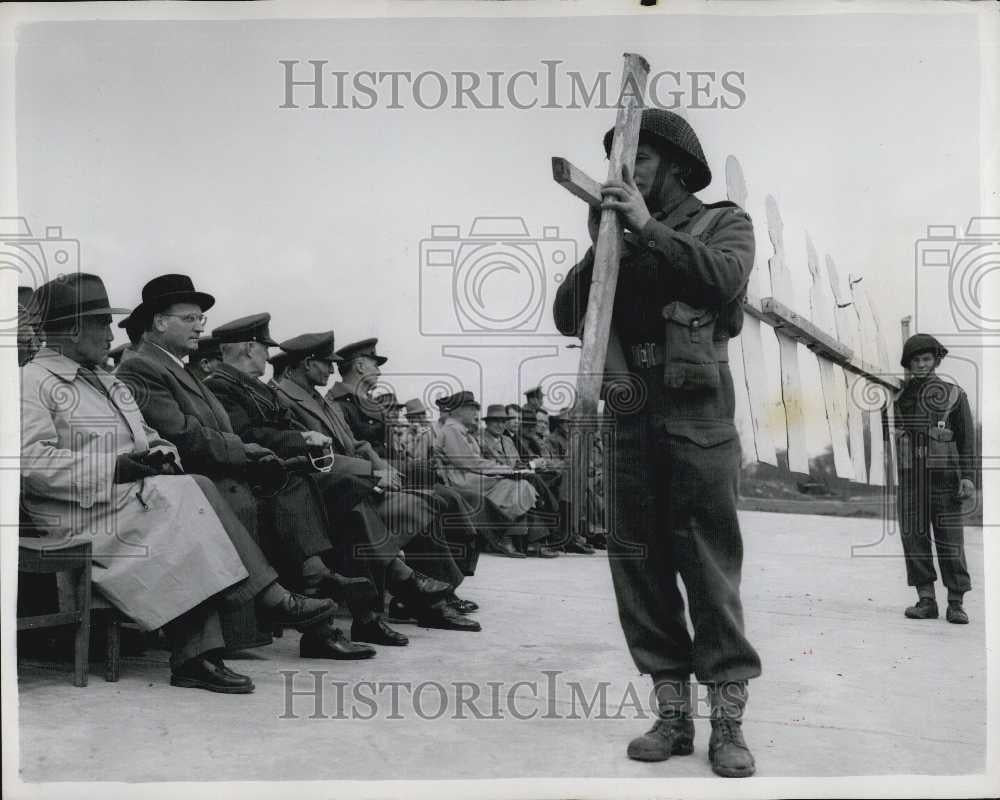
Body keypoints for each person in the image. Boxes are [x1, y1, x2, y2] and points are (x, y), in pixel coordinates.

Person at [553, 108, 761, 777]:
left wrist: (644, 227)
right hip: (631, 413)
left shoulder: (723, 222)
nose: (625, 175)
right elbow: (566, 315)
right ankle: (672, 716)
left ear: (674, 167)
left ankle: (726, 722)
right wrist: (603, 242)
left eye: (636, 162)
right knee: (639, 569)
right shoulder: (615, 235)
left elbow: (725, 280)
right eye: (618, 163)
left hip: (697, 420)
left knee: (708, 570)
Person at [20, 274, 336, 693]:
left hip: (126, 503)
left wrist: (160, 451)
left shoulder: (107, 381)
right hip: (77, 513)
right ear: (71, 327)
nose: (111, 332)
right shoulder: (32, 381)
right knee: (191, 496)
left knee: (191, 492)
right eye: (100, 322)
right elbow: (28, 463)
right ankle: (261, 602)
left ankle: (203, 650)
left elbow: (147, 436)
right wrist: (117, 468)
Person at [114, 274, 347, 658]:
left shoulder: (177, 366)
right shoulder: (141, 367)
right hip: (188, 477)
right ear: (159, 322)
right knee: (254, 497)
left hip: (217, 469)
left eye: (200, 319)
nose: (200, 326)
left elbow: (214, 428)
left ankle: (313, 603)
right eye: (189, 318)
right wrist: (249, 452)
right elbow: (186, 436)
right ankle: (289, 606)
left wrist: (255, 454)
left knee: (290, 482)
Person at [273, 331, 481, 631]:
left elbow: (355, 444)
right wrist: (372, 473)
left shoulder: (320, 399)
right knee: (416, 503)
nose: (332, 370)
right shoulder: (285, 397)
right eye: (324, 363)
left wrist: (378, 470)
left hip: (351, 481)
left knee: (426, 499)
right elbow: (316, 457)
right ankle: (426, 599)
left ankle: (431, 595)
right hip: (327, 491)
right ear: (306, 364)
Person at [204, 313, 380, 660]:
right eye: (263, 349)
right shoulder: (220, 386)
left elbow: (273, 427)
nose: (268, 358)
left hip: (272, 473)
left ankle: (326, 587)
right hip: (250, 477)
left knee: (342, 492)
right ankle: (321, 586)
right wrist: (300, 438)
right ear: (249, 348)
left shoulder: (245, 386)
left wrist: (298, 442)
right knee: (306, 490)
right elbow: (247, 435)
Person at [893, 333, 976, 624]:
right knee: (913, 539)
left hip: (945, 481)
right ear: (908, 364)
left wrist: (968, 477)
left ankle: (956, 603)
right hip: (911, 480)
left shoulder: (954, 395)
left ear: (936, 360)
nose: (921, 364)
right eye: (915, 360)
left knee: (950, 541)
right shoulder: (899, 397)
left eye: (926, 359)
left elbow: (967, 440)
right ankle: (926, 600)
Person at [435, 391, 555, 558]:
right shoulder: (452, 430)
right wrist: (505, 470)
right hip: (463, 480)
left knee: (522, 486)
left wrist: (507, 470)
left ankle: (522, 539)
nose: (475, 413)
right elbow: (470, 462)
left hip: (471, 477)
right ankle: (506, 537)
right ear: (458, 411)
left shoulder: (460, 431)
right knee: (516, 487)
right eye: (471, 408)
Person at [326, 338, 391, 458]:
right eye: (376, 366)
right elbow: (350, 454)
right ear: (360, 366)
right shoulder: (335, 404)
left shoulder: (371, 402)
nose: (379, 372)